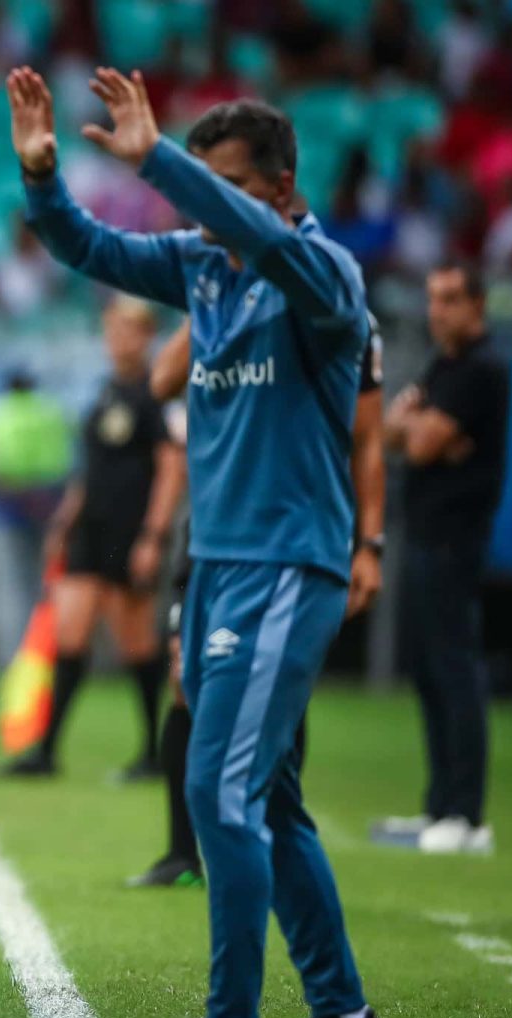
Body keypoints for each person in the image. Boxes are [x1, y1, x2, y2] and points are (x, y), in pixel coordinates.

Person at [9, 66, 379, 1018]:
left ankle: (231, 1015)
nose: (208, 208)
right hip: (214, 568)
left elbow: (254, 236)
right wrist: (43, 176)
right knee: (271, 803)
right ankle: (342, 1007)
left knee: (218, 794)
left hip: (290, 567)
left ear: (283, 189)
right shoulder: (203, 267)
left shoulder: (323, 277)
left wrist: (164, 163)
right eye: (200, 187)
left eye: (230, 187)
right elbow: (83, 245)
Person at [131, 313, 388, 889]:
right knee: (185, 680)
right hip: (212, 536)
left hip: (288, 540)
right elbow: (161, 380)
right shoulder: (219, 302)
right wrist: (207, 297)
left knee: (278, 693)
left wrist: (369, 543)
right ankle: (181, 853)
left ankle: (272, 838)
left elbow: (367, 439)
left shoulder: (333, 313)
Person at [7, 295, 184, 781]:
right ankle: (46, 750)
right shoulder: (107, 391)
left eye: (127, 331)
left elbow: (172, 468)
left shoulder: (158, 393)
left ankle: (154, 752)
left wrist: (153, 536)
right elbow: (92, 471)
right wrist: (64, 523)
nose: (117, 340)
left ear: (148, 336)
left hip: (131, 533)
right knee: (70, 635)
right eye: (111, 330)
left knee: (138, 645)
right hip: (91, 531)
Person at [378, 262, 511, 855]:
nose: (438, 311)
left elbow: (421, 441)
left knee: (455, 670)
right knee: (431, 671)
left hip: (455, 538)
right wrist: (414, 428)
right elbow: (391, 435)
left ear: (477, 304)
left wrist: (415, 426)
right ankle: (439, 806)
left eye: (451, 299)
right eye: (433, 299)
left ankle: (466, 814)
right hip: (426, 533)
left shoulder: (481, 367)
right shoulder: (445, 365)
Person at [0, 368, 73, 669]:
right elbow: (68, 461)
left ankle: (14, 662)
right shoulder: (53, 412)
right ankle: (49, 657)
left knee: (8, 591)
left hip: (7, 508)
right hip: (50, 506)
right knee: (49, 586)